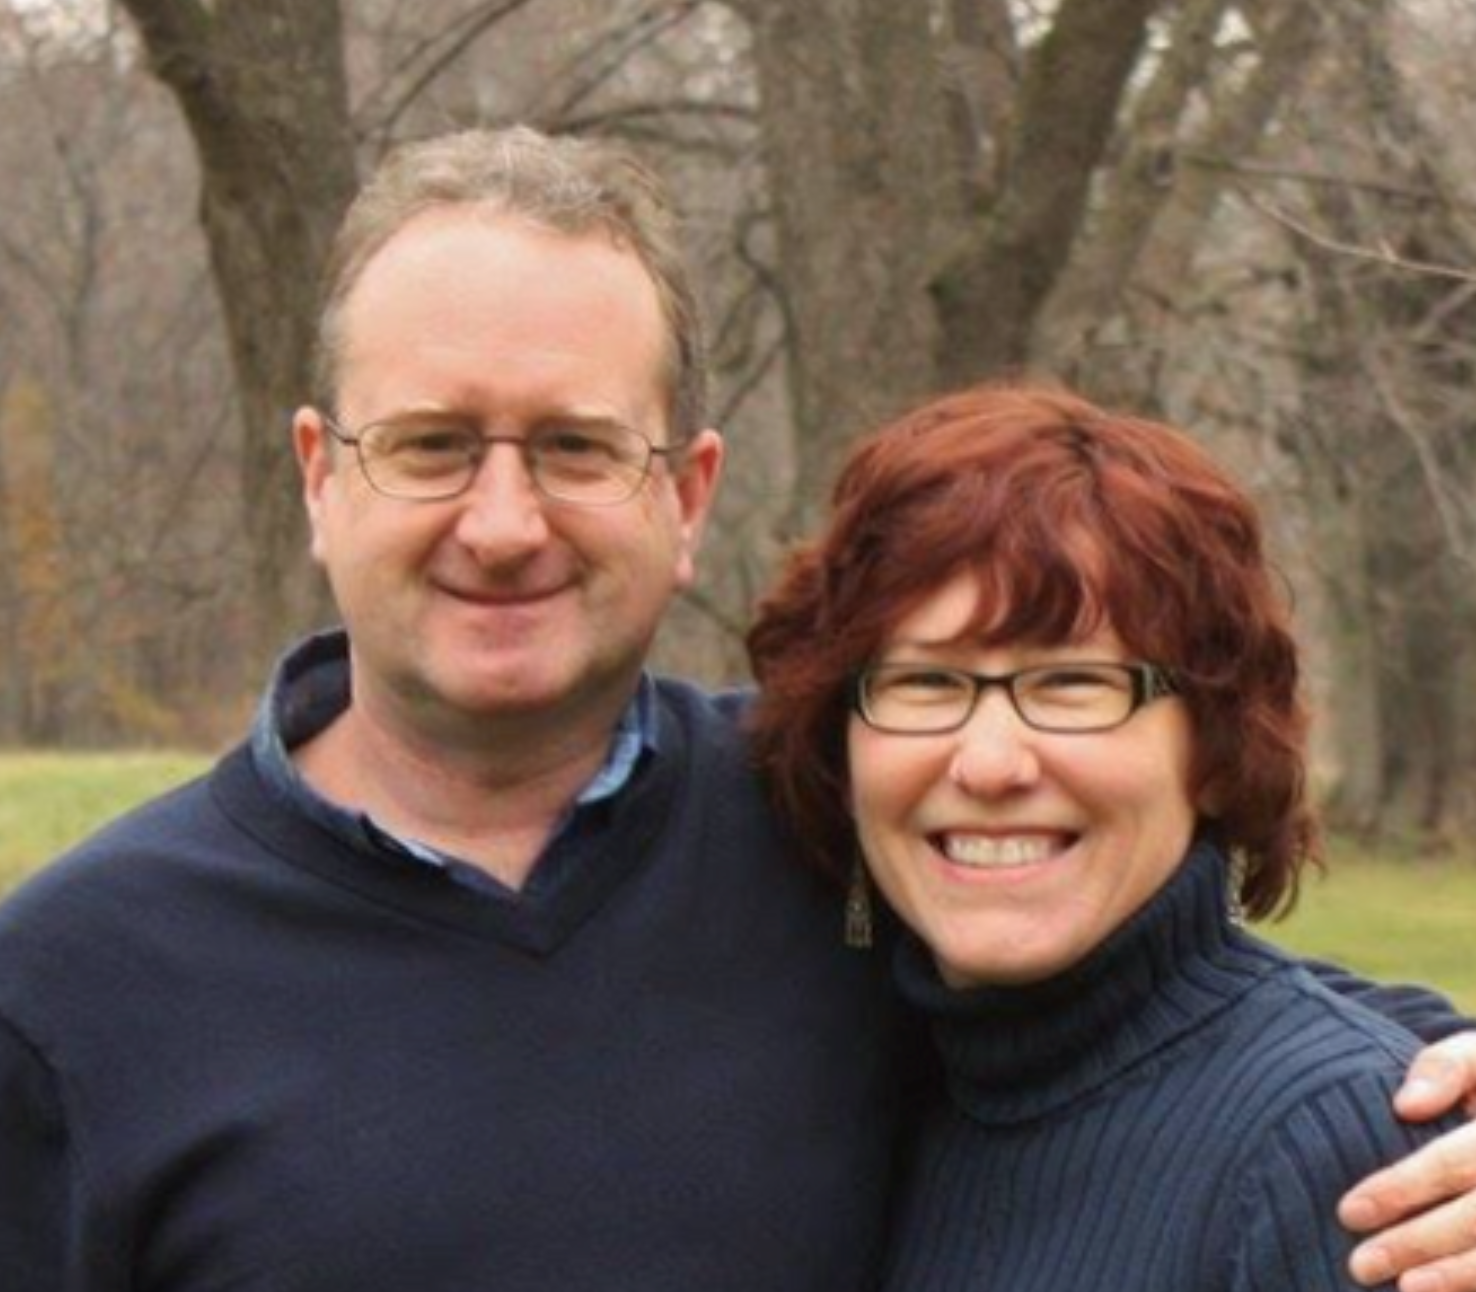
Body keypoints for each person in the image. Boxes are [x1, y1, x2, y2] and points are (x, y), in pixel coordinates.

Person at [0, 129, 1469, 1291]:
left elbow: (1157, 1010)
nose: (504, 523)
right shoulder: (69, 984)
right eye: (434, 444)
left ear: (686, 494)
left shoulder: (813, 831)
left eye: (577, 446)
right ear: (323, 475)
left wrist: (1432, 1094)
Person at [746, 383, 1473, 1290]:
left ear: (1211, 749)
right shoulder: (863, 1102)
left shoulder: (1349, 1156)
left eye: (1072, 685)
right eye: (925, 684)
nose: (990, 763)